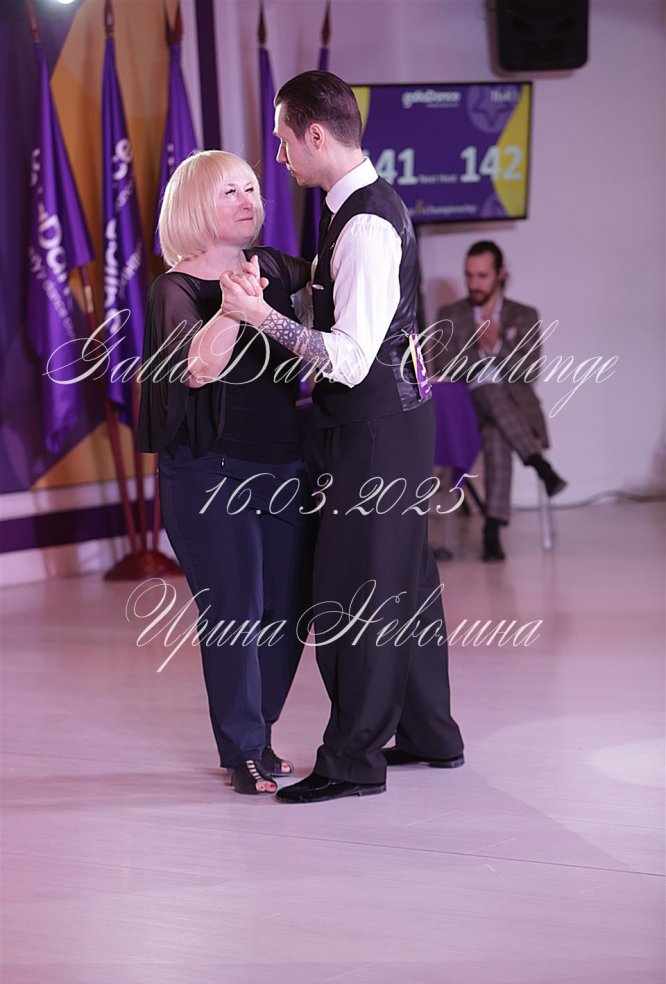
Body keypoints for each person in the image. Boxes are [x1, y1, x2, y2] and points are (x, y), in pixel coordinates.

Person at [220, 71, 464, 805]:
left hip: (373, 425)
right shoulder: (358, 207)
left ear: (316, 135)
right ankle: (429, 732)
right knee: (405, 582)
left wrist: (262, 318)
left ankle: (354, 760)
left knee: (357, 590)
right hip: (390, 419)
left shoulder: (363, 224)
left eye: (283, 139)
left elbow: (350, 358)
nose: (279, 155)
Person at [136, 151, 312, 795]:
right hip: (208, 472)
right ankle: (244, 748)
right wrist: (235, 308)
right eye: (229, 191)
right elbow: (197, 369)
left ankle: (258, 732)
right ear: (193, 206)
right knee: (235, 606)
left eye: (253, 189)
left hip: (283, 463)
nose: (248, 200)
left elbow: (339, 277)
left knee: (288, 606)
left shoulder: (274, 267)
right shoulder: (174, 289)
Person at [435, 241, 567, 562]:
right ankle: (539, 465)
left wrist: (497, 348)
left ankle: (491, 532)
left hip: (512, 415)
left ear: (501, 274)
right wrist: (482, 354)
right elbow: (442, 369)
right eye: (469, 276)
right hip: (465, 410)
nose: (474, 284)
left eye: (482, 276)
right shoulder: (450, 315)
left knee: (496, 435)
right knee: (488, 388)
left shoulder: (524, 315)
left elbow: (530, 371)